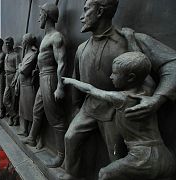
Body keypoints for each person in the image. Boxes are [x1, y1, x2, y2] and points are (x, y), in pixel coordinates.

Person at [64, 0, 176, 178]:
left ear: (100, 11)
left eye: (86, 10)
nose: (81, 16)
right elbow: (77, 79)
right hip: (89, 106)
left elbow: (172, 64)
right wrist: (76, 106)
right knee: (70, 138)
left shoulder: (131, 39)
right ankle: (71, 174)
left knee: (115, 155)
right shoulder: (81, 48)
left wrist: (157, 99)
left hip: (116, 110)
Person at [63, 52, 176, 179]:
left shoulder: (121, 98)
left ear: (131, 78)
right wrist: (131, 39)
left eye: (115, 73)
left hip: (142, 157)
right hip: (166, 157)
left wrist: (69, 80)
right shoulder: (149, 90)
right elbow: (144, 70)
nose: (111, 76)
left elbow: (90, 89)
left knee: (104, 174)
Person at [22, 3, 68, 168]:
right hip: (42, 77)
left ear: (47, 16)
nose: (38, 18)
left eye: (40, 14)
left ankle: (61, 156)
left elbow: (61, 63)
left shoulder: (56, 37)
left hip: (50, 79)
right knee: (37, 110)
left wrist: (60, 86)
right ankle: (32, 137)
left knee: (55, 118)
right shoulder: (47, 38)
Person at [17, 33, 38, 136]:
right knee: (23, 109)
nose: (22, 43)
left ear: (26, 42)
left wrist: (20, 66)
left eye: (23, 41)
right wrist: (21, 66)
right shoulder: (26, 55)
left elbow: (24, 70)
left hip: (28, 86)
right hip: (23, 85)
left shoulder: (33, 55)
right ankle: (24, 130)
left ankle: (30, 132)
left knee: (29, 109)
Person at [3, 37, 21, 126]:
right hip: (7, 78)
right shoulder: (6, 55)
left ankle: (12, 118)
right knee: (5, 100)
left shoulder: (16, 55)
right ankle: (14, 115)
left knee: (14, 100)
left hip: (13, 77)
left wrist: (15, 79)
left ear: (12, 43)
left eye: (8, 43)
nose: (7, 45)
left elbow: (18, 69)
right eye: (6, 43)